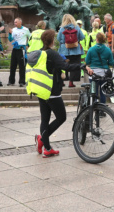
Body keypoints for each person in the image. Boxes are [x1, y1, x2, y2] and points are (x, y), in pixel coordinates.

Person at [34, 29, 89, 158]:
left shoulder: (40, 53)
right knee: (61, 117)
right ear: (52, 41)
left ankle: (46, 147)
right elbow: (66, 67)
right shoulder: (52, 54)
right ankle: (43, 140)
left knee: (45, 119)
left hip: (41, 90)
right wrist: (81, 66)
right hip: (53, 91)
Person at [85, 32, 114, 103]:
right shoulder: (107, 50)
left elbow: (87, 61)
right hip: (104, 73)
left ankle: (94, 107)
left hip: (93, 73)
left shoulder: (91, 49)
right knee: (103, 92)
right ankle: (102, 109)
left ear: (97, 39)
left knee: (93, 92)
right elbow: (111, 63)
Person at [57, 14, 85, 88]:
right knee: (74, 65)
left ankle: (62, 81)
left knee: (63, 65)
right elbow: (82, 37)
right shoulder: (77, 27)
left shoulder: (62, 28)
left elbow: (58, 38)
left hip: (64, 50)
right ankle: (71, 82)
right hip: (75, 50)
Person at [7, 18, 31, 87]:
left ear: (20, 22)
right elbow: (10, 39)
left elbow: (30, 37)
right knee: (12, 66)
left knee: (22, 66)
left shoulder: (26, 30)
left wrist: (28, 45)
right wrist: (9, 33)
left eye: (16, 22)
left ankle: (22, 81)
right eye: (14, 22)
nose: (15, 23)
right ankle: (11, 81)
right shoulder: (13, 30)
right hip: (15, 49)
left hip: (21, 49)